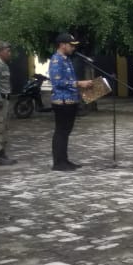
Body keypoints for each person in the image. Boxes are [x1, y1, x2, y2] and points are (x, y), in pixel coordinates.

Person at [49, 33, 93, 172]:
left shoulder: (66, 59)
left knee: (66, 132)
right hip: (62, 102)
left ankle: (64, 160)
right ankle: (58, 163)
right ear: (62, 45)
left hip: (70, 100)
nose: (73, 48)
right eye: (71, 45)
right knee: (61, 132)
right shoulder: (56, 60)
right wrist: (79, 83)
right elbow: (58, 82)